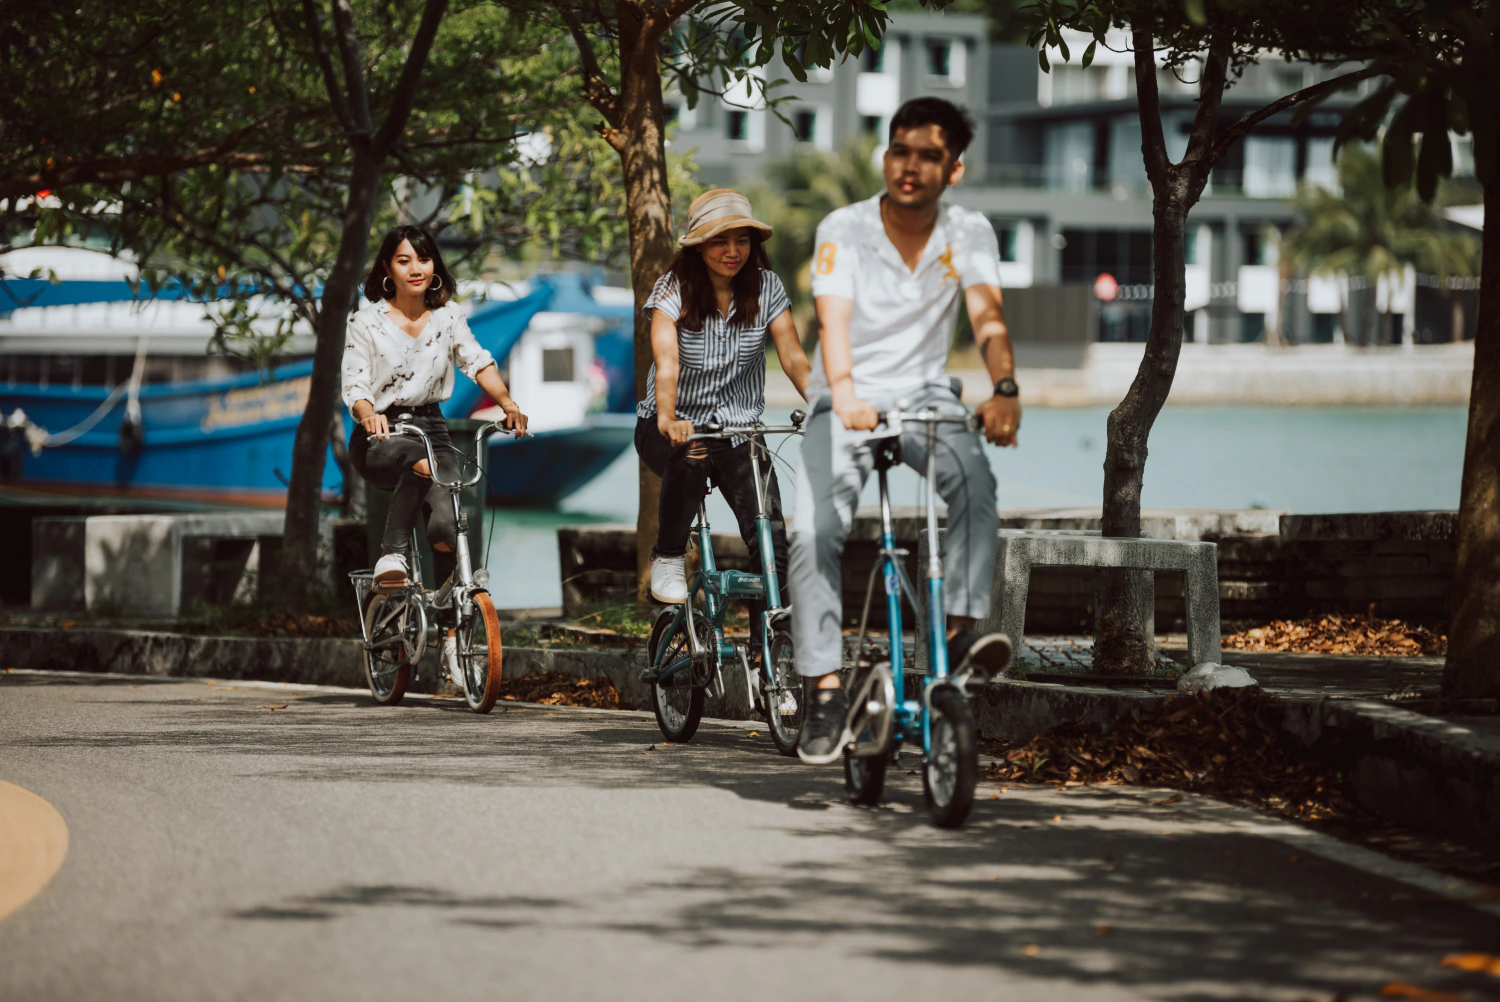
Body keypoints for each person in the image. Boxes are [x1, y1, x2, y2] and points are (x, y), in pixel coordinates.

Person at [792, 98, 1021, 765]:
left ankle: (956, 635)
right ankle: (826, 690)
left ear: (953, 169)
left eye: (927, 155)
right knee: (811, 531)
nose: (909, 165)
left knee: (975, 484)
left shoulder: (969, 230)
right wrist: (847, 393)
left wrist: (1004, 390)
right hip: (845, 393)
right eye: (899, 151)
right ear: (885, 156)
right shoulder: (846, 226)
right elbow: (832, 322)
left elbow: (988, 318)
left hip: (924, 396)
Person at [635, 189, 812, 669]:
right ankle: (669, 555)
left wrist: (827, 405)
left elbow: (794, 357)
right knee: (689, 453)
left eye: (742, 241)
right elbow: (666, 362)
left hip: (739, 433)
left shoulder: (768, 288)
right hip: (668, 427)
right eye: (719, 241)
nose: (732, 252)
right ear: (697, 246)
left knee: (772, 543)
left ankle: (770, 653)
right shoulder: (672, 289)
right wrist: (669, 416)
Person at [342, 225, 528, 591]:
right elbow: (355, 385)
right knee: (419, 462)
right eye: (403, 260)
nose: (416, 269)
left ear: (434, 266)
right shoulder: (365, 322)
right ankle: (392, 554)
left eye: (424, 259)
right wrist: (369, 415)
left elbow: (477, 361)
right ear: (387, 269)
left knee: (447, 527)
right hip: (381, 435)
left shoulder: (447, 316)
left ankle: (450, 632)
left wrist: (508, 403)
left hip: (434, 430)